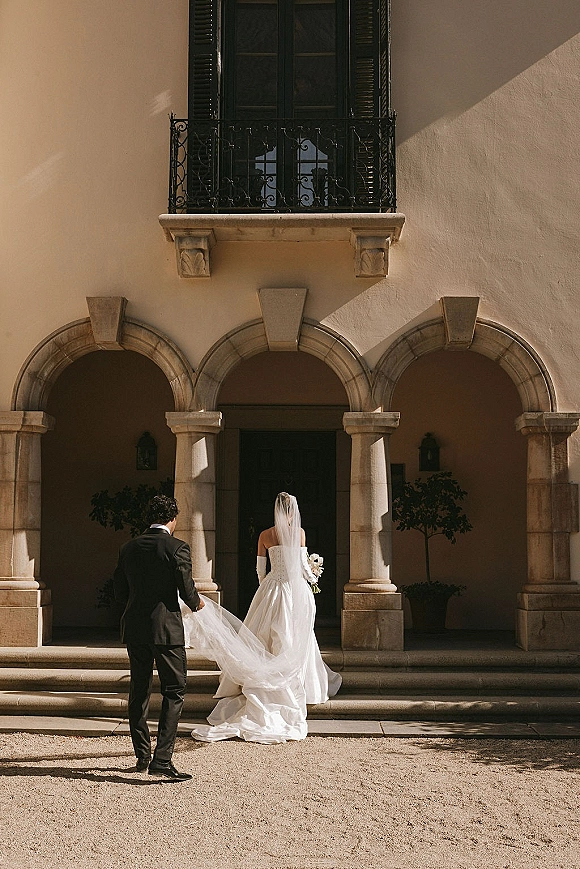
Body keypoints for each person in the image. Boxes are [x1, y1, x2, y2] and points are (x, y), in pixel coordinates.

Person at [181, 492, 342, 744]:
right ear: (292, 512)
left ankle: (263, 670)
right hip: (294, 589)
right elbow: (301, 566)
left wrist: (266, 586)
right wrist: (313, 577)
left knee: (264, 634)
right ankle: (306, 685)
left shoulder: (265, 535)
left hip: (271, 588)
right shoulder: (299, 534)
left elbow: (259, 568)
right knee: (295, 635)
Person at [113, 494, 204, 781]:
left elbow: (119, 592)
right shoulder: (177, 548)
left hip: (136, 628)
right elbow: (188, 592)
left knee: (139, 691)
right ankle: (162, 760)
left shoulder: (129, 548)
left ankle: (142, 756)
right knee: (174, 690)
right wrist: (198, 603)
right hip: (166, 630)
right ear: (173, 518)